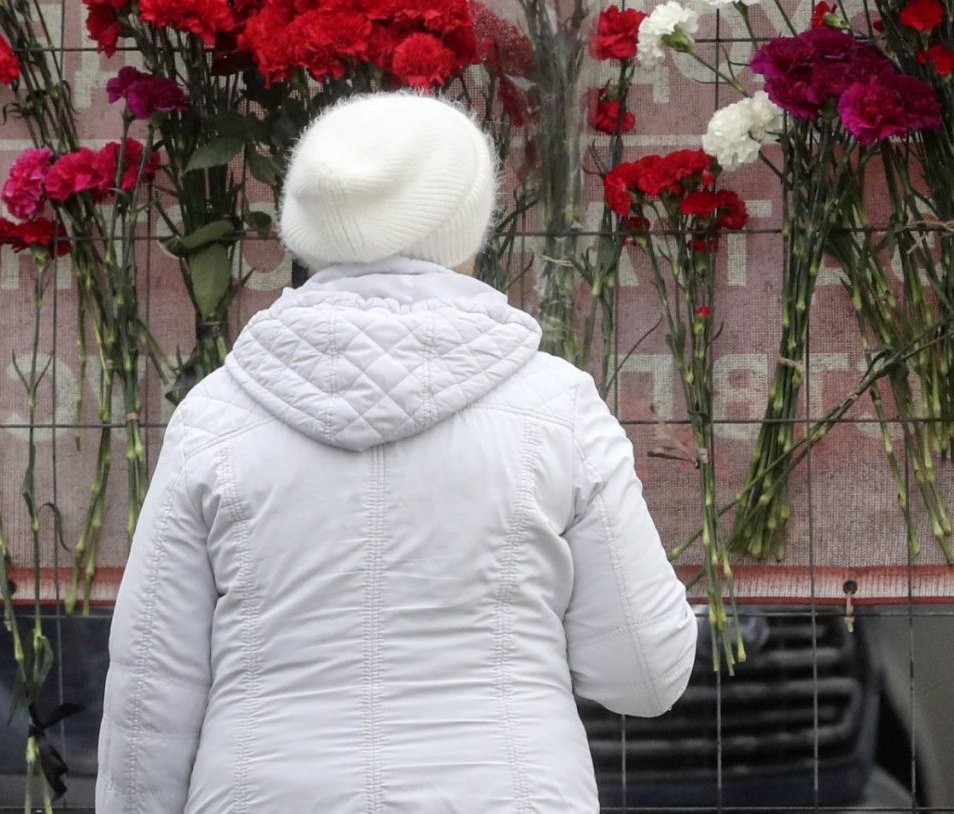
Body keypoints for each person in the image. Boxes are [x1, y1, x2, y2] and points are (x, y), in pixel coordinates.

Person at [96, 91, 697, 812]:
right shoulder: (556, 407)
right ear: (466, 223)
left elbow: (148, 701)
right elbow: (645, 672)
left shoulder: (217, 415)